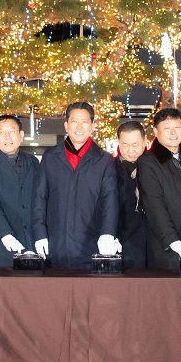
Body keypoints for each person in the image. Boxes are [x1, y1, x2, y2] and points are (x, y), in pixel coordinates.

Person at [32, 102, 119, 269]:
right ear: (66, 125)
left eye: (85, 122)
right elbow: (39, 198)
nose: (79, 127)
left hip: (91, 246)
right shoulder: (51, 157)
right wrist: (40, 234)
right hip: (55, 245)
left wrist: (107, 234)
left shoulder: (104, 160)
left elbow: (110, 199)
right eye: (74, 121)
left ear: (92, 126)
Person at [0, 114, 40, 266]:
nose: (7, 137)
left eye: (11, 131)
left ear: (21, 135)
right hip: (1, 246)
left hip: (30, 244)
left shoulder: (32, 162)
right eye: (1, 132)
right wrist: (6, 235)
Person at [138, 108, 181, 270]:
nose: (173, 133)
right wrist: (173, 241)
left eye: (177, 127)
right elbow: (154, 206)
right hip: (166, 246)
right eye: (167, 128)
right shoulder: (148, 162)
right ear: (156, 131)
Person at [114, 120, 149, 269]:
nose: (130, 150)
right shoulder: (109, 168)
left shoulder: (154, 166)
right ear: (118, 143)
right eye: (125, 145)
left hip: (153, 239)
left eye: (135, 145)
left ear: (145, 141)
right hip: (122, 238)